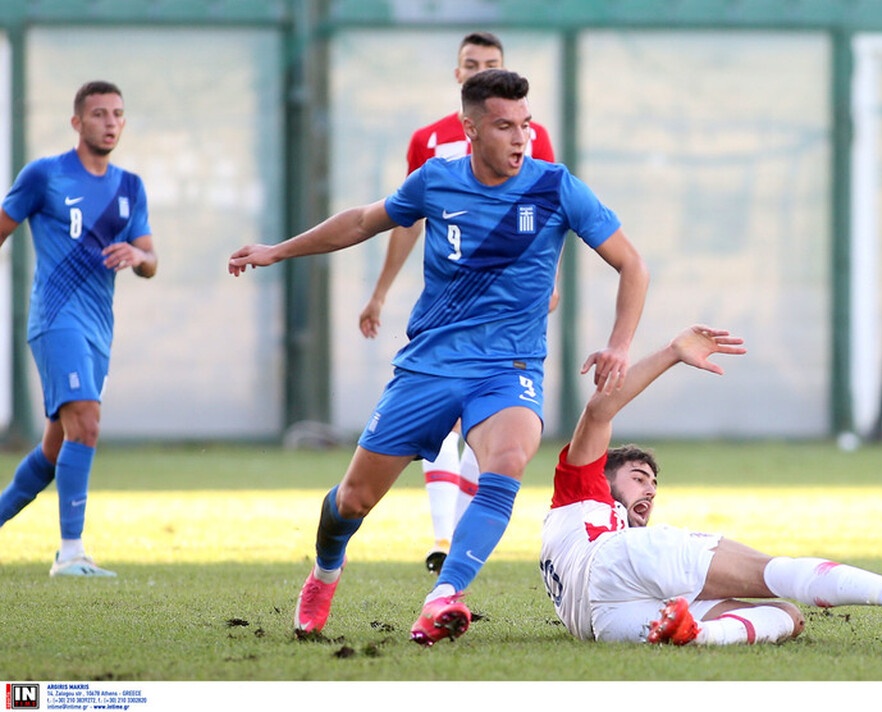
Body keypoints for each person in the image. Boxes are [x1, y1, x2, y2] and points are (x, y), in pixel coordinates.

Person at [228, 68, 649, 646]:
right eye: (504, 127)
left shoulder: (557, 188)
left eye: (526, 125)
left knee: (508, 460)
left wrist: (620, 344)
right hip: (429, 365)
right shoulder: (436, 181)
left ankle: (444, 596)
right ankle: (324, 572)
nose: (521, 139)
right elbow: (362, 222)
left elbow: (632, 264)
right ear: (470, 130)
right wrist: (278, 251)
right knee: (352, 500)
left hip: (508, 368)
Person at [540, 324, 882, 645]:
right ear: (600, 474)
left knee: (787, 617)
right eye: (638, 478)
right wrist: (672, 352)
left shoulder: (578, 536)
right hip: (616, 565)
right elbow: (599, 411)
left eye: (653, 484)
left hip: (602, 623)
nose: (650, 490)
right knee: (772, 572)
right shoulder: (580, 488)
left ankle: (702, 634)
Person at [358, 31, 557, 575]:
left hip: (508, 315)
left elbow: (548, 214)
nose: (480, 69)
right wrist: (380, 291)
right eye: (471, 63)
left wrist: (550, 282)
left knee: (489, 427)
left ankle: (456, 541)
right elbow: (403, 220)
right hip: (449, 307)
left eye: (490, 62)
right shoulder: (429, 143)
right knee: (442, 423)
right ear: (458, 74)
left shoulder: (529, 136)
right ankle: (444, 535)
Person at [0, 80, 158, 577]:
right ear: (77, 122)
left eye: (118, 114)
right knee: (86, 423)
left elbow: (151, 259)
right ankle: (70, 552)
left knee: (55, 450)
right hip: (55, 320)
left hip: (97, 330)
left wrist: (138, 256)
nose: (110, 123)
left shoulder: (129, 187)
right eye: (99, 114)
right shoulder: (45, 175)